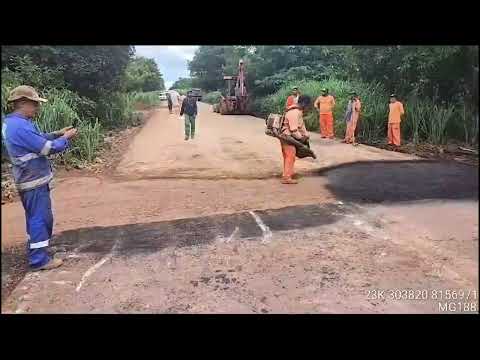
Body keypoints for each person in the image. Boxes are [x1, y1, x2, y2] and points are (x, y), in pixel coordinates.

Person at [2, 85, 78, 271]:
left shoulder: (14, 123)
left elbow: (37, 140)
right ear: (21, 103)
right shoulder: (19, 127)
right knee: (40, 219)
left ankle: (40, 250)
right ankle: (39, 260)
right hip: (32, 181)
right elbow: (47, 148)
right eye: (34, 104)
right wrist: (65, 138)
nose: (37, 107)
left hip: (29, 179)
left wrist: (57, 133)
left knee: (37, 218)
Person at [279, 95, 312, 184]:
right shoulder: (294, 112)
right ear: (304, 104)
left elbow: (301, 126)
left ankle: (287, 173)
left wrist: (306, 135)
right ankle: (286, 177)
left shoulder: (297, 111)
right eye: (308, 105)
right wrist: (301, 138)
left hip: (287, 136)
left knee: (288, 156)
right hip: (287, 137)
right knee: (290, 156)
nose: (309, 107)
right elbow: (293, 129)